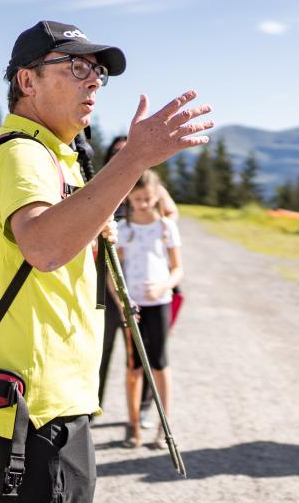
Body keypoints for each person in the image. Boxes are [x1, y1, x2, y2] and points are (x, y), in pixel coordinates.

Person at [0, 20, 213, 502]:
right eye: (76, 67)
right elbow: (44, 247)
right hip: (33, 400)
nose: (94, 79)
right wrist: (134, 159)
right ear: (27, 81)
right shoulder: (23, 156)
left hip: (39, 395)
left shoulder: (55, 154)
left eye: (97, 70)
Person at [116, 169, 183, 448]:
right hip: (132, 307)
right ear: (129, 198)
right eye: (137, 199)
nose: (142, 204)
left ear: (157, 197)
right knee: (133, 366)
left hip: (159, 303)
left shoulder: (166, 227)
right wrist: (121, 299)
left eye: (147, 198)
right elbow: (114, 271)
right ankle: (133, 427)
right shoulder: (123, 229)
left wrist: (164, 286)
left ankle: (162, 426)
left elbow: (178, 269)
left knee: (160, 363)